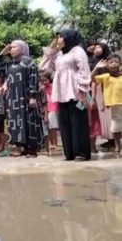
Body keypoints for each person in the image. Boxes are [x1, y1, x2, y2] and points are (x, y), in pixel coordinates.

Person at [39, 29, 91, 161]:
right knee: (65, 123)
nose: (58, 40)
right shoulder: (59, 54)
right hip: (62, 92)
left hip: (75, 92)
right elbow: (43, 68)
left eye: (61, 37)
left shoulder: (77, 51)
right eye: (57, 37)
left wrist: (81, 90)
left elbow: (84, 70)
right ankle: (69, 153)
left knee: (78, 121)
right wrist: (51, 50)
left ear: (69, 38)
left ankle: (82, 152)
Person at [0, 40, 43, 157]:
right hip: (12, 99)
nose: (11, 49)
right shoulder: (9, 64)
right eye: (10, 48)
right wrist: (2, 53)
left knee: (29, 122)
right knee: (16, 123)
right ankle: (22, 148)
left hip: (26, 97)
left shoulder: (29, 62)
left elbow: (33, 79)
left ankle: (32, 150)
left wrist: (32, 96)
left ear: (21, 48)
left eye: (14, 47)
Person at [93, 54, 122, 153]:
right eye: (111, 62)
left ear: (120, 64)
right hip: (114, 104)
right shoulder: (105, 77)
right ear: (107, 66)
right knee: (116, 126)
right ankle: (117, 146)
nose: (114, 64)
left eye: (116, 62)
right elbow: (91, 79)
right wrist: (97, 68)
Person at [89, 43, 114, 150]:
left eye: (99, 47)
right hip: (95, 90)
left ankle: (112, 139)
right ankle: (109, 139)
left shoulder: (110, 61)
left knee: (110, 116)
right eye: (96, 47)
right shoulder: (92, 61)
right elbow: (92, 79)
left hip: (108, 89)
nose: (97, 49)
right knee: (100, 117)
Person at [40, 70, 59, 150]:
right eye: (42, 81)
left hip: (53, 107)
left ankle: (55, 143)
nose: (44, 82)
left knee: (52, 127)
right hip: (46, 108)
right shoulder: (42, 88)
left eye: (45, 80)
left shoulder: (53, 87)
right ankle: (51, 143)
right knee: (48, 127)